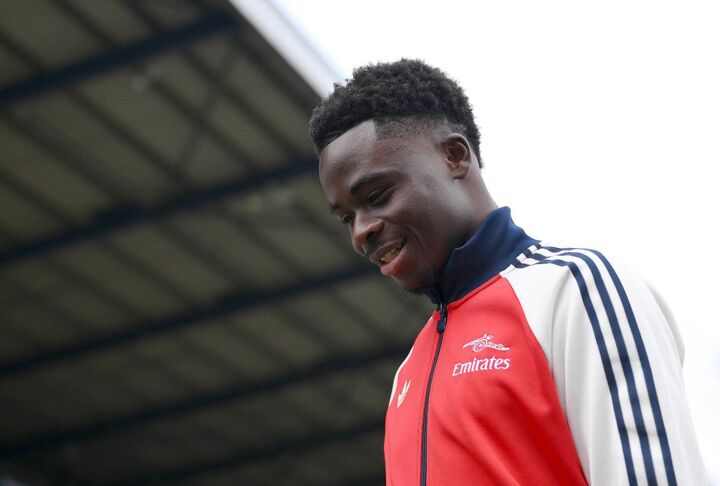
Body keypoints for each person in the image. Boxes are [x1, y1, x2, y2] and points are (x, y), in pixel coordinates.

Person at [309, 59, 705, 485]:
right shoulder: (408, 373)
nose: (362, 232)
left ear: (455, 156)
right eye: (347, 218)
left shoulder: (576, 289)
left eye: (377, 196)